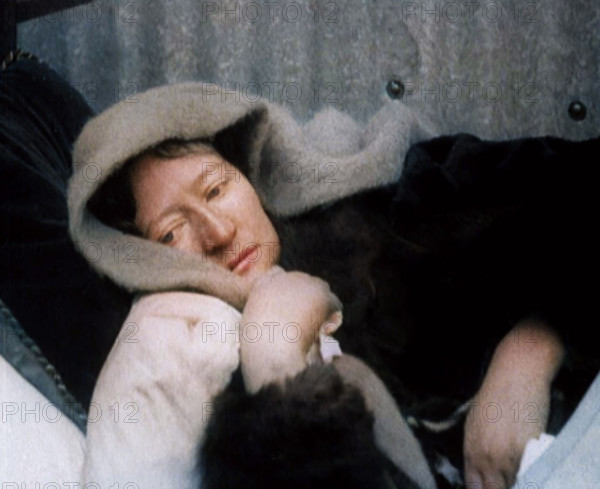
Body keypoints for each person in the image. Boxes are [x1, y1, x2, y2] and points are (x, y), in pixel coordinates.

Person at [69, 83, 600, 489]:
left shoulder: (394, 208)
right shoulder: (197, 354)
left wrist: (536, 344)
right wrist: (274, 359)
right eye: (171, 231)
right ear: (139, 258)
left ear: (250, 172)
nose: (219, 233)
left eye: (216, 187)